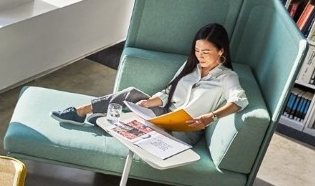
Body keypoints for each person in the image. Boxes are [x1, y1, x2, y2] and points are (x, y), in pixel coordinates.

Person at [51, 23, 249, 145]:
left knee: (146, 128)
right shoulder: (191, 66)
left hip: (184, 130)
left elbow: (239, 100)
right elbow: (168, 92)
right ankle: (80, 112)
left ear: (221, 51)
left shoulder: (227, 77)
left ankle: (110, 124)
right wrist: (150, 102)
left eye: (206, 52)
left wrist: (210, 117)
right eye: (197, 50)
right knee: (132, 94)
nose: (200, 56)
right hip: (164, 115)